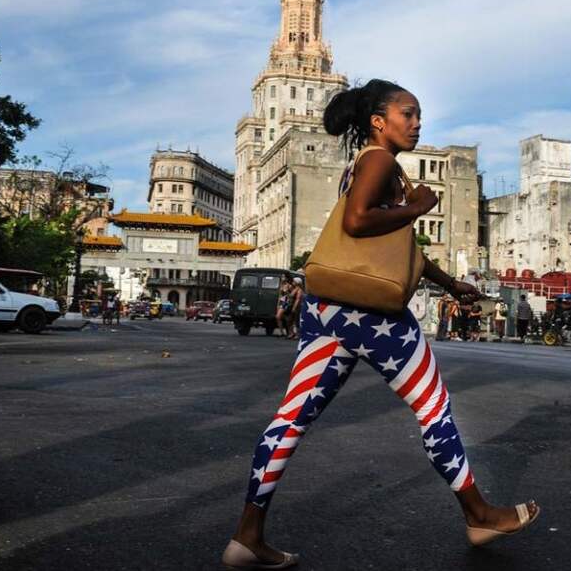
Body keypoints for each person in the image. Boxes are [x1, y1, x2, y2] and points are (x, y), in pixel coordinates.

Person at [223, 80, 538, 570]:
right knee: (434, 407)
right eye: (407, 114)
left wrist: (451, 284)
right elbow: (357, 221)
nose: (416, 123)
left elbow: (394, 249)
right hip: (373, 316)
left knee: (291, 419)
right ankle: (478, 514)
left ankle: (248, 534)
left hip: (327, 308)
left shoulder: (366, 164)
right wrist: (418, 207)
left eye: (418, 115)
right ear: (378, 120)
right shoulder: (379, 160)